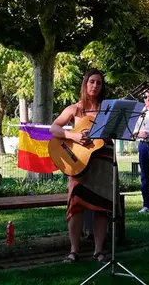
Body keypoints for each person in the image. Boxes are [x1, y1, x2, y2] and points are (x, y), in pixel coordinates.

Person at [50, 68, 118, 263]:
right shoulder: (75, 108)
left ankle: (98, 250)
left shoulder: (108, 110)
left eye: (99, 83)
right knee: (76, 205)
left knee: (102, 207)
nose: (95, 86)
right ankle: (74, 250)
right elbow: (54, 127)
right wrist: (73, 136)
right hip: (78, 162)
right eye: (92, 82)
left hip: (103, 160)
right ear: (85, 84)